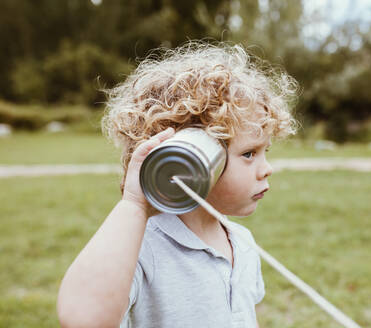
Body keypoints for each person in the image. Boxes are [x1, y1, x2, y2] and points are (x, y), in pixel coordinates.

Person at [56, 41, 298, 328]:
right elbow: (83, 319)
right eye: (249, 154)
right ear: (195, 155)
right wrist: (134, 205)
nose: (266, 169)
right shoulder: (144, 247)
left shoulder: (241, 242)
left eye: (264, 152)